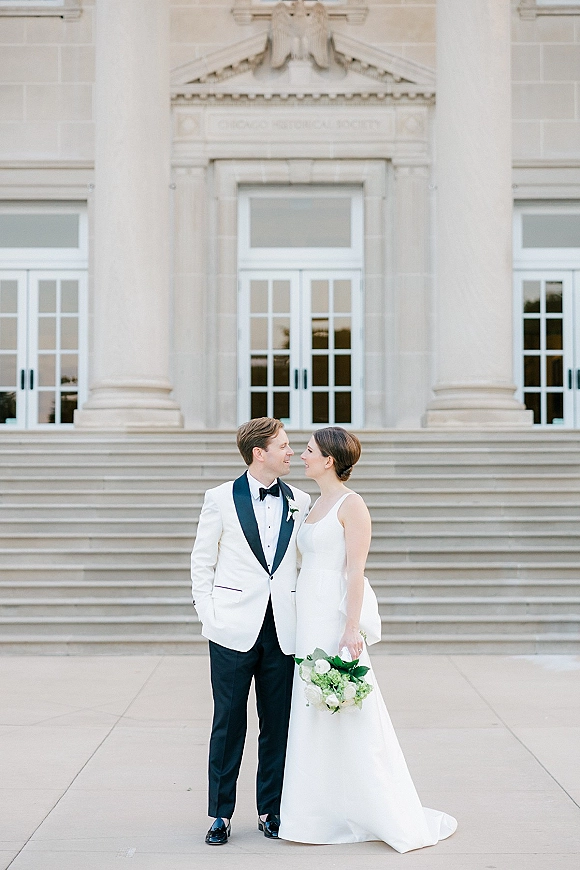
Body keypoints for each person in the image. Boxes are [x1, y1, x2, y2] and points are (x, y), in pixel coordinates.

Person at [279, 427, 458, 852]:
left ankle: (372, 806)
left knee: (347, 706)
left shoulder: (351, 505)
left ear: (328, 460)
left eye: (308, 451)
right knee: (312, 706)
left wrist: (350, 628)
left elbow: (354, 571)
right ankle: (314, 812)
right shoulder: (311, 504)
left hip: (334, 614)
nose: (301, 456)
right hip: (308, 612)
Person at [191, 418, 310, 846]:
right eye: (283, 445)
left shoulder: (301, 499)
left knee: (277, 723)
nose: (291, 451)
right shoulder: (220, 498)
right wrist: (209, 614)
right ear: (259, 452)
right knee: (228, 723)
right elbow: (201, 560)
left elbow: (305, 563)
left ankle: (270, 810)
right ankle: (220, 815)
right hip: (231, 629)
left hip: (283, 629)